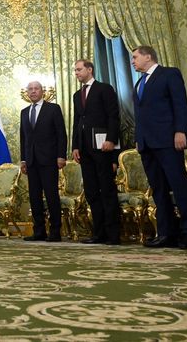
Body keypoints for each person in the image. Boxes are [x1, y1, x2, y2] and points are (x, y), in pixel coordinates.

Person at [131, 45, 187, 250]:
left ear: (148, 56)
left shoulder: (169, 74)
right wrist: (138, 138)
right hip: (146, 143)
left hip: (168, 140)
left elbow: (180, 104)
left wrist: (180, 131)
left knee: (179, 185)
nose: (133, 61)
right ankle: (166, 233)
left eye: (135, 57)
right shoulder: (138, 83)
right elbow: (141, 114)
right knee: (158, 189)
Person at [71, 61, 122, 245]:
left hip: (103, 147)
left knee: (107, 190)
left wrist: (111, 139)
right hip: (85, 150)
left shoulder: (104, 89)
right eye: (75, 70)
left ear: (89, 69)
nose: (76, 73)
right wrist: (75, 146)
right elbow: (77, 122)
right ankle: (98, 233)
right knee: (92, 192)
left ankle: (113, 234)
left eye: (79, 69)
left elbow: (113, 116)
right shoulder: (77, 95)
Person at [20, 80, 67, 242]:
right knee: (34, 197)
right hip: (31, 161)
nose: (33, 91)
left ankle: (55, 231)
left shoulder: (53, 109)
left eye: (36, 89)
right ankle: (39, 230)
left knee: (51, 195)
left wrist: (61, 156)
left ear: (42, 91)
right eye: (30, 89)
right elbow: (23, 138)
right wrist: (23, 159)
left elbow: (61, 134)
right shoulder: (24, 112)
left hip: (49, 160)